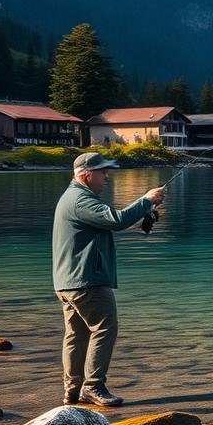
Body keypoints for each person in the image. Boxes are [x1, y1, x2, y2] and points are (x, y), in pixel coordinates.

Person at [52, 152, 165, 407]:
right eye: (102, 171)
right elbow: (116, 220)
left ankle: (72, 391)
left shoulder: (74, 199)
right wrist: (146, 200)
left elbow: (106, 226)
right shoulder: (81, 200)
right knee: (105, 327)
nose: (107, 176)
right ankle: (93, 387)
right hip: (87, 280)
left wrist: (143, 218)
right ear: (86, 174)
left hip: (68, 280)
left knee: (76, 336)